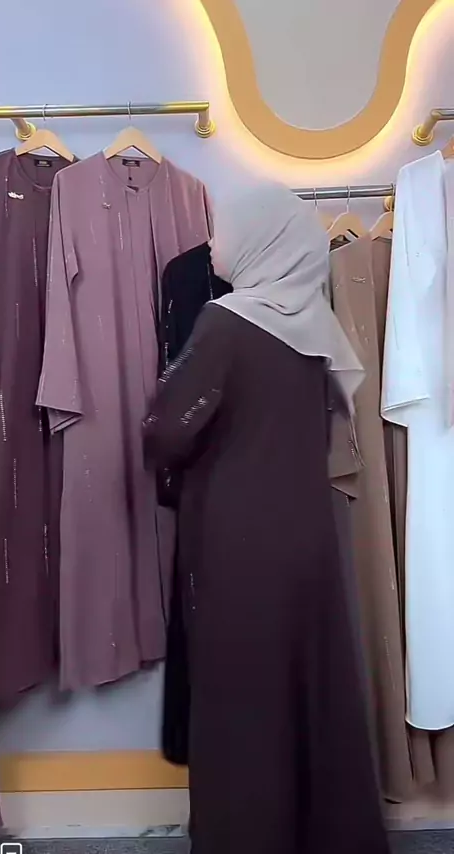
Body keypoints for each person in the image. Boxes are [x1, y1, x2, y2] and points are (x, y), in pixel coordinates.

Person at [144, 183, 390, 854]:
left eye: (222, 229)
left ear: (259, 239)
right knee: (310, 688)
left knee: (242, 701)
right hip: (307, 535)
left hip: (238, 542)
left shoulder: (227, 322)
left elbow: (167, 429)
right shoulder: (313, 324)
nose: (212, 243)